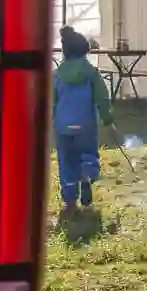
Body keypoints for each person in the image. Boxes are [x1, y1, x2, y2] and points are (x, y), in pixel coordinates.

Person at [52, 26, 114, 214]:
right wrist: (107, 118)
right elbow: (103, 98)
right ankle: (87, 175)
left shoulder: (57, 75)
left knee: (67, 162)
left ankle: (70, 202)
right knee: (87, 154)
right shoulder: (92, 73)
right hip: (85, 125)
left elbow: (51, 101)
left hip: (63, 127)